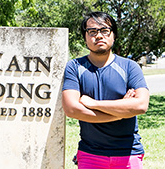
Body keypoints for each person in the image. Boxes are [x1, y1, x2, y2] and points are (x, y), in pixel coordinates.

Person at [62, 11, 150, 169]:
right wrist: (122, 111)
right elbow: (72, 109)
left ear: (113, 35)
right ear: (85, 37)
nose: (99, 35)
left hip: (129, 154)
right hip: (90, 155)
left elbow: (141, 105)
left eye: (104, 30)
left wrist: (94, 104)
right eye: (92, 31)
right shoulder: (74, 67)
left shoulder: (130, 67)